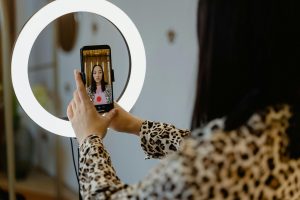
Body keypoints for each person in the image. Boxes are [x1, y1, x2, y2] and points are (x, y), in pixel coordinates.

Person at [67, 0, 300, 199]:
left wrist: (89, 139)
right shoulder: (282, 126)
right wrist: (136, 126)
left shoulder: (204, 166)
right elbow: (202, 144)